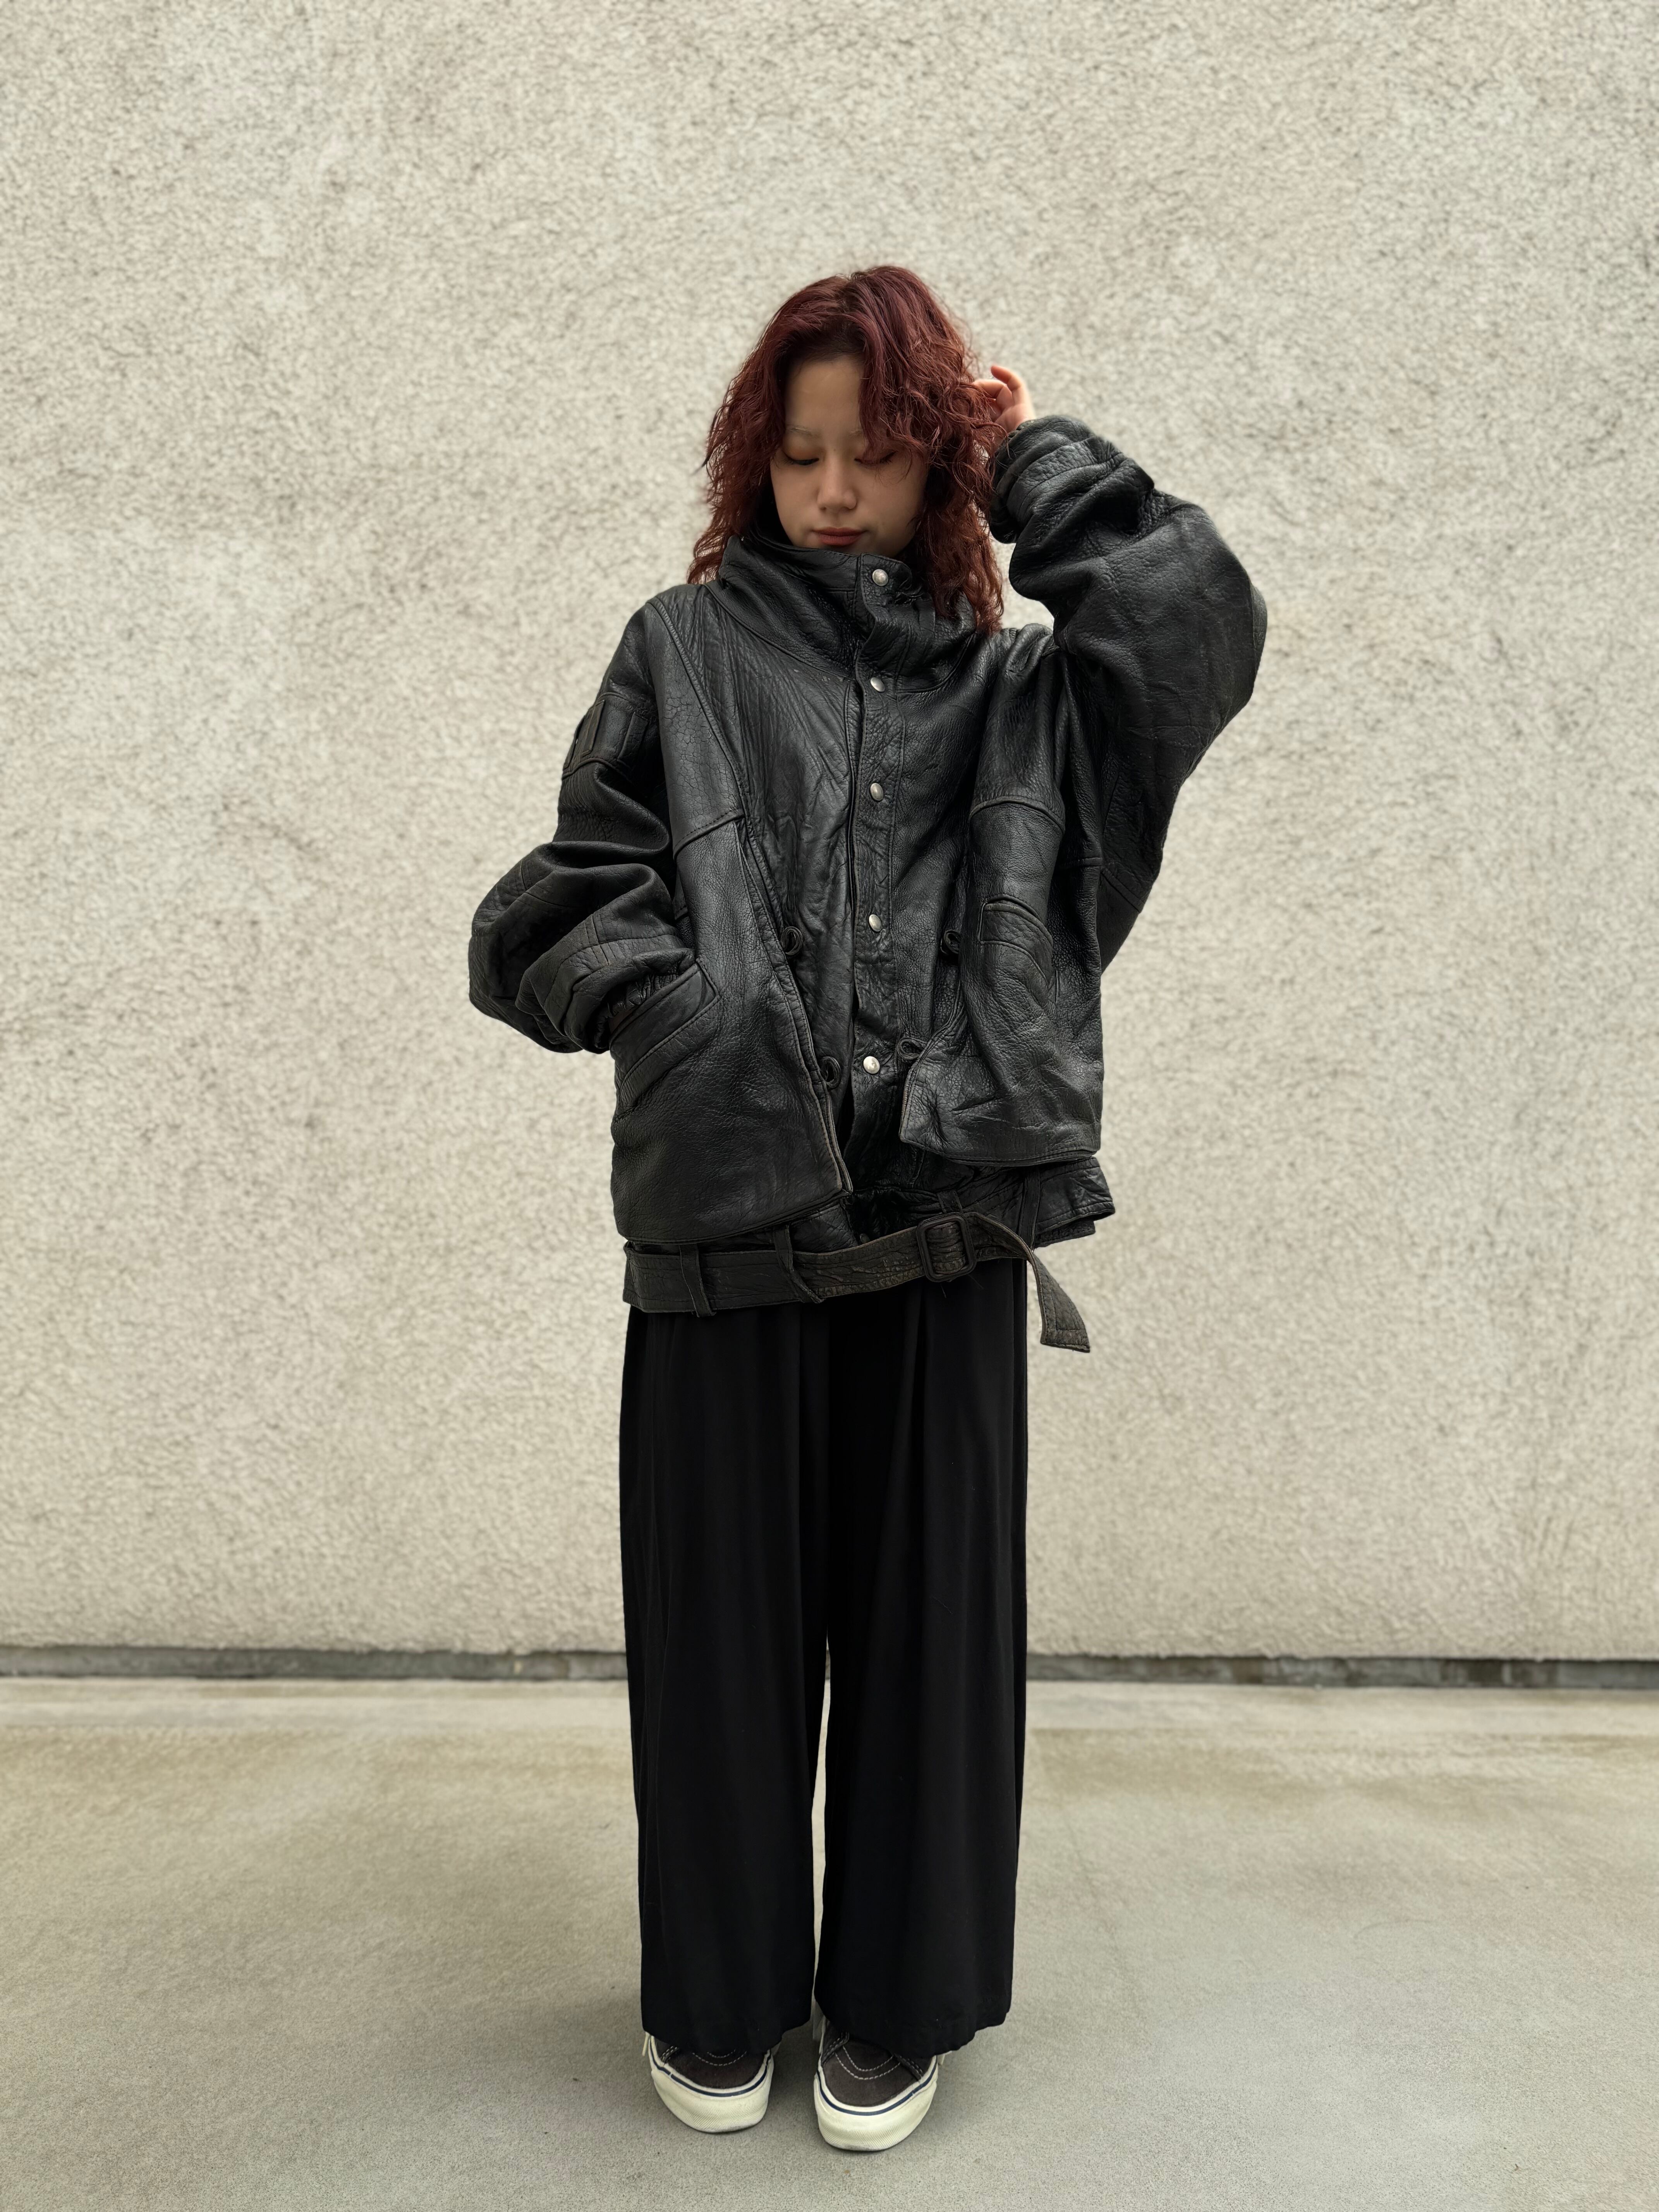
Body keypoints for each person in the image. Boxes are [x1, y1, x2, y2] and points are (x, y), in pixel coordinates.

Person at [467, 265, 1267, 2153]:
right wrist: (695, 1011)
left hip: (945, 1241)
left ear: (941, 471)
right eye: (801, 452)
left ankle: (895, 2007)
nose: (834, 490)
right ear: (757, 462)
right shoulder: (681, 649)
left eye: (884, 453)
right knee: (718, 1668)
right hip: (723, 1233)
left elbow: (1198, 626)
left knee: (930, 1670)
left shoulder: (1033, 699)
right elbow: (561, 898)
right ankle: (718, 1997)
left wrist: (1028, 451)